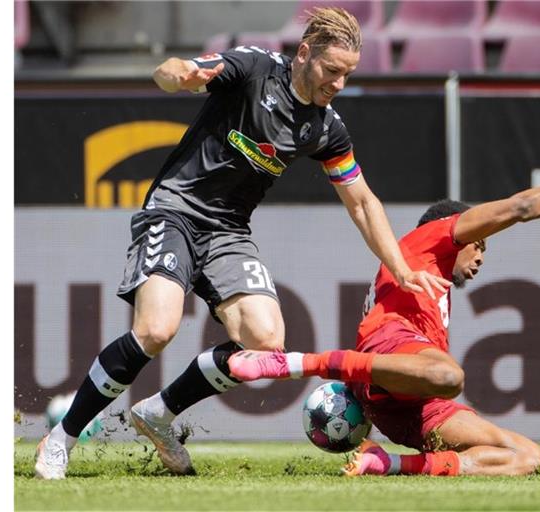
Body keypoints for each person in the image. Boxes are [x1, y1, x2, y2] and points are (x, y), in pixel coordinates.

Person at [34, 7, 449, 480]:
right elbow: (188, 72)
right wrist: (177, 74)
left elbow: (362, 202)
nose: (338, 82)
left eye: (347, 74)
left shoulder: (325, 128)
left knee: (266, 344)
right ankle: (62, 438)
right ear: (305, 52)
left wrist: (398, 266)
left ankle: (159, 413)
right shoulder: (255, 69)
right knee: (156, 330)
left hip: (229, 232)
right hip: (175, 211)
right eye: (332, 70)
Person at [229, 173, 540, 477]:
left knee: (528, 458)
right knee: (448, 375)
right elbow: (523, 207)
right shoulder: (429, 238)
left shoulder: (434, 290)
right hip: (392, 356)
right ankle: (301, 363)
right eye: (480, 246)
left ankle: (391, 464)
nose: (482, 259)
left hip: (411, 409)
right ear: (457, 233)